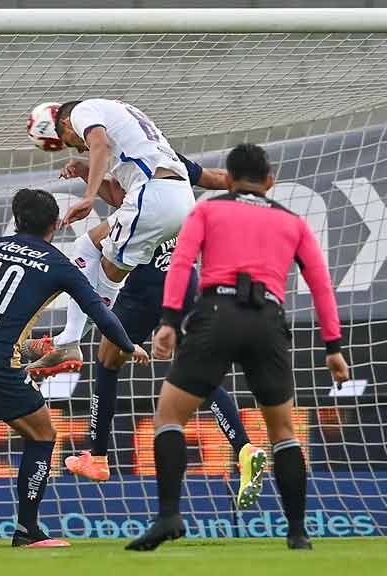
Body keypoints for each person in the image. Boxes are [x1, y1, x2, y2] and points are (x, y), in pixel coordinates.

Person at [126, 143, 350, 552]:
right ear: (270, 181)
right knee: (283, 432)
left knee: (169, 417)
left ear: (226, 180)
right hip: (268, 320)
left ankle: (169, 516)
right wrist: (333, 345)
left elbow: (181, 264)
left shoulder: (207, 211)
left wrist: (169, 322)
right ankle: (298, 532)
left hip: (216, 314)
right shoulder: (293, 222)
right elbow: (321, 284)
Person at [22, 146, 265, 509]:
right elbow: (204, 181)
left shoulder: (136, 179)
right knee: (200, 375)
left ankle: (98, 455)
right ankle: (244, 448)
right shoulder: (170, 166)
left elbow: (120, 204)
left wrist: (91, 178)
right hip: (185, 283)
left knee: (106, 359)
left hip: (145, 291)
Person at [0, 187, 147, 547]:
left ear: (16, 220)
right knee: (43, 436)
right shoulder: (59, 264)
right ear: (56, 225)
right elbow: (100, 313)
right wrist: (127, 345)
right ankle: (27, 530)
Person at [22, 99, 194, 380]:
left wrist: (88, 196)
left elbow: (98, 144)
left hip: (153, 195)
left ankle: (68, 342)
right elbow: (118, 198)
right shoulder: (124, 126)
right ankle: (67, 340)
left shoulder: (82, 112)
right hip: (175, 200)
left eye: (70, 141)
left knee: (95, 263)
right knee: (94, 256)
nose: (79, 148)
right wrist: (84, 173)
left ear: (65, 123)